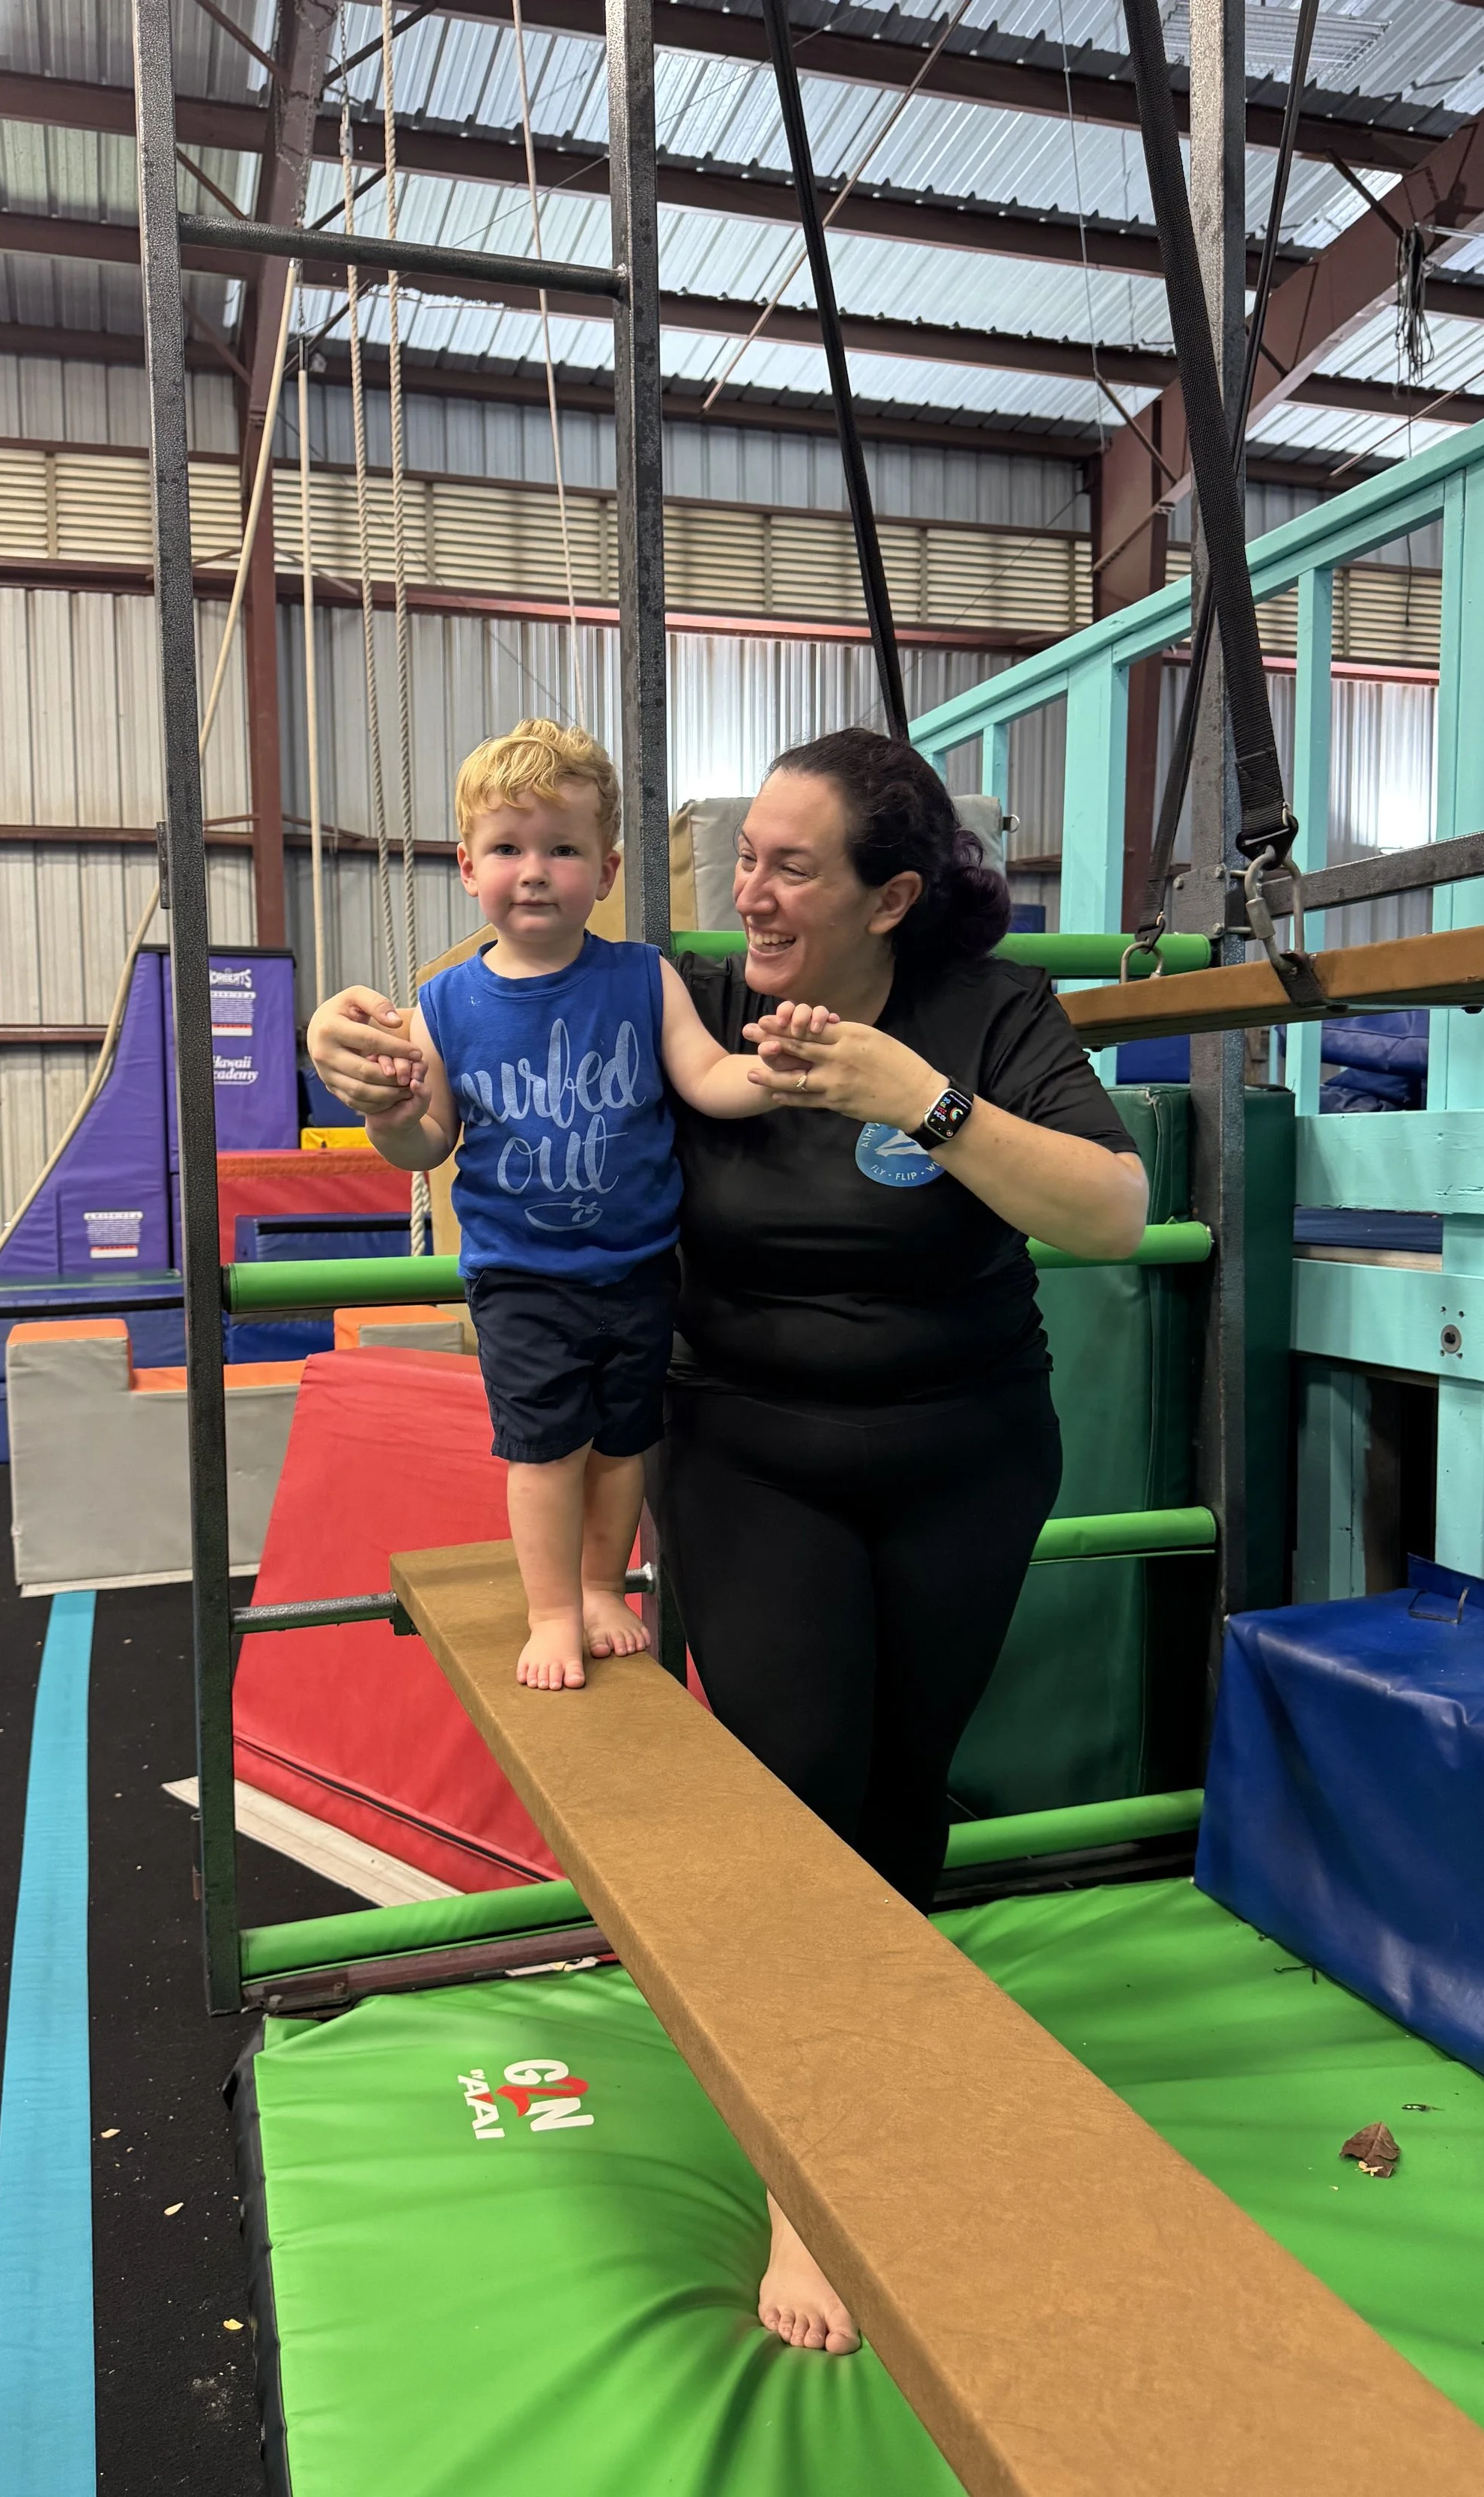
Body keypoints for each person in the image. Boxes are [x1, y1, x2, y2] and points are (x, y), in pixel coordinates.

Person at [307, 724, 1148, 2359]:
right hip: (747, 1453)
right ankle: (801, 2181)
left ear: (888, 897)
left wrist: (929, 1100)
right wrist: (380, 1081)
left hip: (964, 1461)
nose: (745, 889)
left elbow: (1109, 1212)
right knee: (794, 1795)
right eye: (738, 856)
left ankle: (876, 2075)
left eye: (787, 866)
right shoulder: (674, 986)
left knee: (902, 1790)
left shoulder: (986, 1011)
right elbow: (462, 1092)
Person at [350, 718, 796, 1690]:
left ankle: (601, 1585)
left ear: (608, 867)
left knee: (624, 1442)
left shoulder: (643, 980)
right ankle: (552, 1607)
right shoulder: (446, 1003)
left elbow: (706, 1079)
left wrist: (775, 1073)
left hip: (638, 1266)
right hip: (521, 1277)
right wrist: (390, 1116)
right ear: (469, 868)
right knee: (549, 1451)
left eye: (563, 848)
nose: (537, 870)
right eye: (509, 848)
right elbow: (428, 1141)